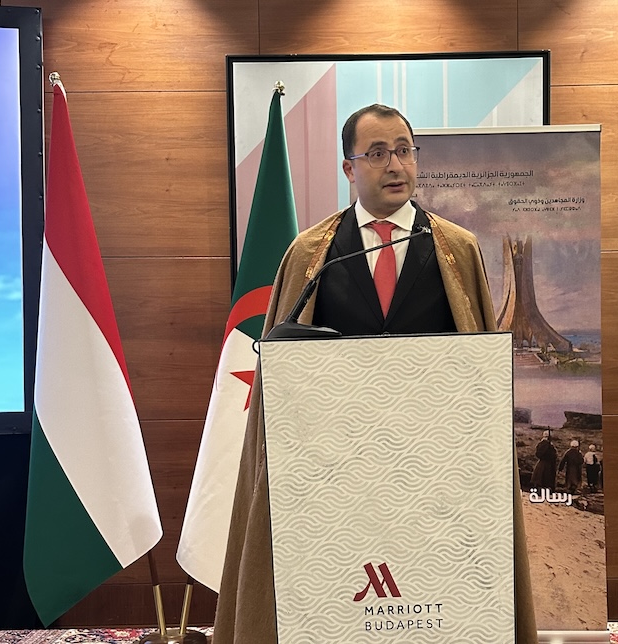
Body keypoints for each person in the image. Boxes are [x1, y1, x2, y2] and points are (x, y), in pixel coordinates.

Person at [213, 104, 536, 644]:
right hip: (333, 473)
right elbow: (284, 378)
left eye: (404, 151)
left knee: (431, 605)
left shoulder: (457, 249)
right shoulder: (311, 253)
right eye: (378, 153)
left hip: (437, 473)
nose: (395, 165)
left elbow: (479, 375)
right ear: (349, 167)